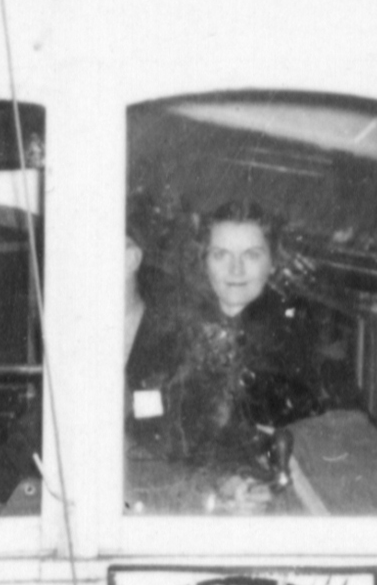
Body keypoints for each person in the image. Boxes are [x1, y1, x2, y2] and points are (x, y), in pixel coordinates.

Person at [129, 204, 338, 507]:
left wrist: (266, 484)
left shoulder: (301, 345)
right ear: (204, 260)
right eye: (221, 254)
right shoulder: (167, 335)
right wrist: (214, 482)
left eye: (251, 255)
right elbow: (145, 433)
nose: (235, 270)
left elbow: (320, 445)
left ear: (273, 262)